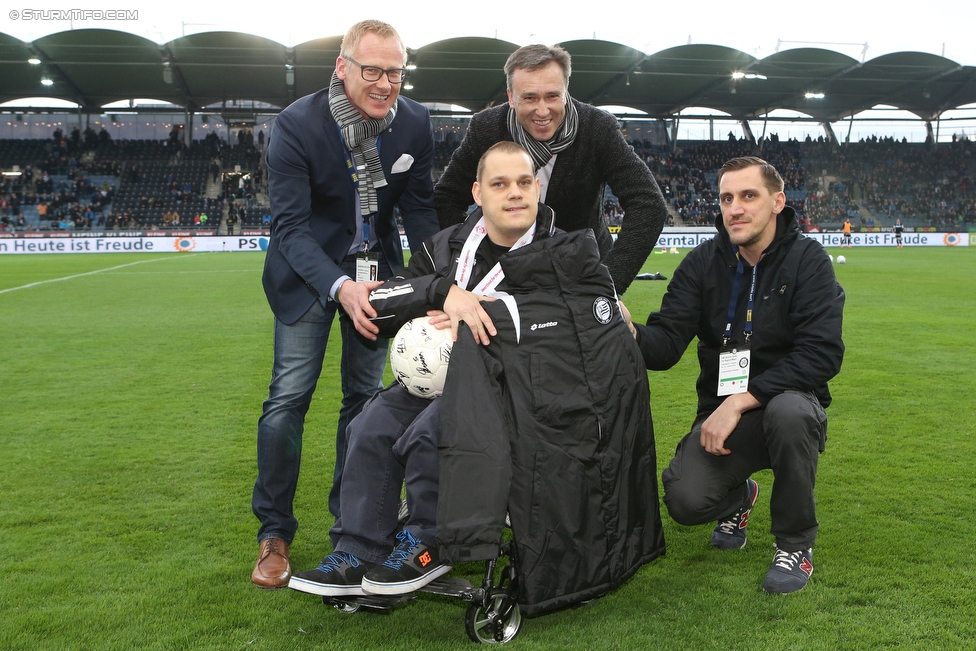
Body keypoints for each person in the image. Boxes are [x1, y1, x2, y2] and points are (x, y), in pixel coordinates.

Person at [288, 141, 553, 597]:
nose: (514, 193)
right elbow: (385, 304)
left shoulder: (560, 250)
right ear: (478, 192)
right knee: (370, 424)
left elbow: (562, 320)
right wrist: (439, 292)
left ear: (538, 188)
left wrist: (487, 311)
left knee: (435, 428)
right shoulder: (445, 247)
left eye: (524, 182)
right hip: (433, 381)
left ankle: (428, 543)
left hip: (510, 387)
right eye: (500, 184)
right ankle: (358, 550)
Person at [251, 19, 439, 589]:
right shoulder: (297, 125)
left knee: (364, 400)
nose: (385, 83)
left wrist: (432, 285)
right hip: (309, 278)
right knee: (289, 399)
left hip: (377, 276)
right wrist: (340, 286)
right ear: (342, 67)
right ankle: (274, 533)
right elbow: (289, 227)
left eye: (396, 72)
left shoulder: (414, 123)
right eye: (373, 70)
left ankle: (352, 524)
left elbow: (422, 213)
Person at [624, 156, 845, 594]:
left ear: (778, 201)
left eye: (748, 196)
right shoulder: (703, 263)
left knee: (789, 413)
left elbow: (822, 354)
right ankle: (741, 496)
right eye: (727, 198)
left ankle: (795, 545)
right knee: (685, 501)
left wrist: (742, 401)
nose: (735, 209)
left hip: (790, 405)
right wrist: (630, 332)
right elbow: (667, 344)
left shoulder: (808, 261)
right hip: (722, 413)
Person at [433, 44, 669, 296]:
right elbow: (447, 197)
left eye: (552, 96)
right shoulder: (486, 128)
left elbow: (649, 204)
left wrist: (608, 282)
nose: (543, 110)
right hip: (501, 280)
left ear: (566, 92)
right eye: (530, 97)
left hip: (580, 278)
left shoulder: (597, 128)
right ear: (511, 97)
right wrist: (471, 257)